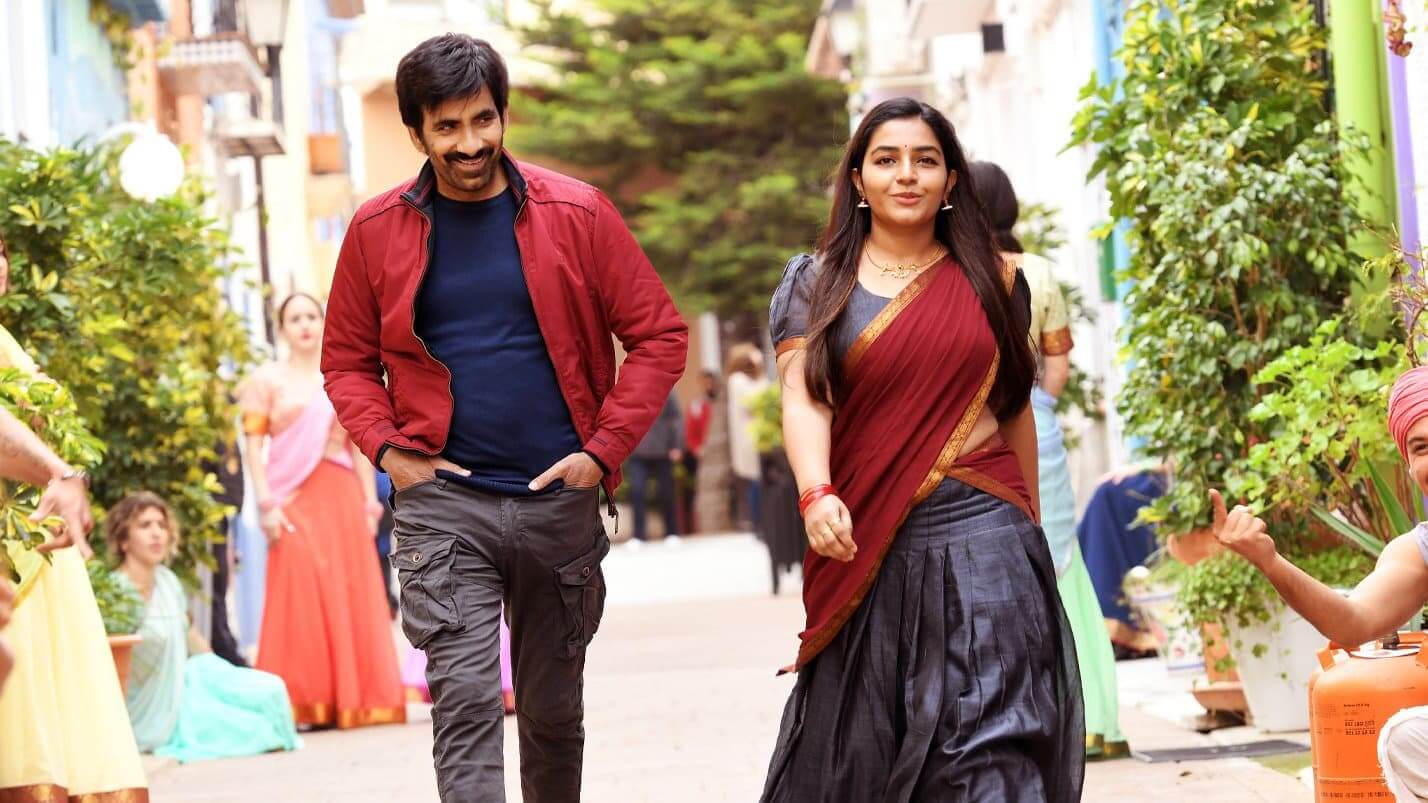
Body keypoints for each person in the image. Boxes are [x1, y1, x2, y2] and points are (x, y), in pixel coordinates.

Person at [321, 34, 687, 802]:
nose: (469, 144)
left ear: (504, 114)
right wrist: (389, 451)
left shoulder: (577, 212)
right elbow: (347, 362)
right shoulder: (375, 230)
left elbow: (659, 335)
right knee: (464, 703)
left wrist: (601, 450)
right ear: (416, 133)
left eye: (482, 120)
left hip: (557, 501)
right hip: (444, 504)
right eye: (447, 127)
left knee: (551, 715)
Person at [760, 97, 1083, 802]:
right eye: (886, 159)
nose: (906, 174)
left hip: (986, 527)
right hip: (866, 535)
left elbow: (1013, 408)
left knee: (995, 736)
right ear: (858, 179)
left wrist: (1032, 528)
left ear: (951, 180)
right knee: (868, 747)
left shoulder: (997, 281)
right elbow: (806, 398)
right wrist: (816, 492)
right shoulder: (817, 284)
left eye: (925, 160)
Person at [1211, 364, 1428, 801]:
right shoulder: (1418, 551)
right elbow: (1352, 622)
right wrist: (1271, 562)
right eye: (1421, 447)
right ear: (1408, 465)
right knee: (1404, 737)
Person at [971, 160, 1129, 759]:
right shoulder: (1035, 271)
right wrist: (1034, 401)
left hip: (965, 433)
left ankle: (1016, 719)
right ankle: (1094, 721)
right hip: (1034, 421)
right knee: (1060, 562)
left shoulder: (952, 271)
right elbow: (1056, 367)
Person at [0, 233, 148, 801]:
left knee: (48, 673)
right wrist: (57, 475)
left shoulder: (7, 340)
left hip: (36, 528)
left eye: (2, 254)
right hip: (17, 532)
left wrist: (61, 479)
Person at [239, 292, 405, 729]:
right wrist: (266, 504)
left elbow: (356, 447)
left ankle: (353, 698)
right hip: (290, 499)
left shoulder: (340, 377)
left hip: (342, 496)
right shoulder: (265, 381)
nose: (305, 325)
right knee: (298, 593)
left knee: (347, 590)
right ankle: (304, 700)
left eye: (312, 316)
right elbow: (253, 449)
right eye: (295, 318)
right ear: (282, 328)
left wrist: (370, 503)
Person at [109, 492, 300, 762]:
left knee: (271, 690)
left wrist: (224, 678)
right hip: (151, 713)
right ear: (124, 540)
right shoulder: (117, 591)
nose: (156, 533)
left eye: (161, 525)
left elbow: (190, 637)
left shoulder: (167, 581)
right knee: (256, 730)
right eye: (145, 525)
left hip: (186, 684)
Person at [1078, 465, 1168, 655]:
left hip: (1172, 478)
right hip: (1155, 473)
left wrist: (1144, 467)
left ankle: (1119, 622)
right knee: (1105, 495)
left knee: (1108, 495)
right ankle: (1109, 621)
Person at [626, 392, 683, 544]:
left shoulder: (667, 391)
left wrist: (677, 445)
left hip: (663, 451)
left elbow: (676, 418)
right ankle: (638, 535)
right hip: (637, 452)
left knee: (666, 492)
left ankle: (672, 532)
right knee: (637, 491)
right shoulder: (631, 390)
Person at [726, 344, 769, 530]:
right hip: (749, 440)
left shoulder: (744, 380)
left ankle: (760, 522)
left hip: (755, 439)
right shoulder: (737, 380)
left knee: (757, 481)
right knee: (755, 480)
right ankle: (758, 523)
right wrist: (760, 370)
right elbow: (759, 398)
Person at [682, 371, 717, 532]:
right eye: (706, 383)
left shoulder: (721, 404)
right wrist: (696, 448)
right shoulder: (697, 405)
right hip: (703, 455)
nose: (709, 386)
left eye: (711, 382)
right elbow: (690, 430)